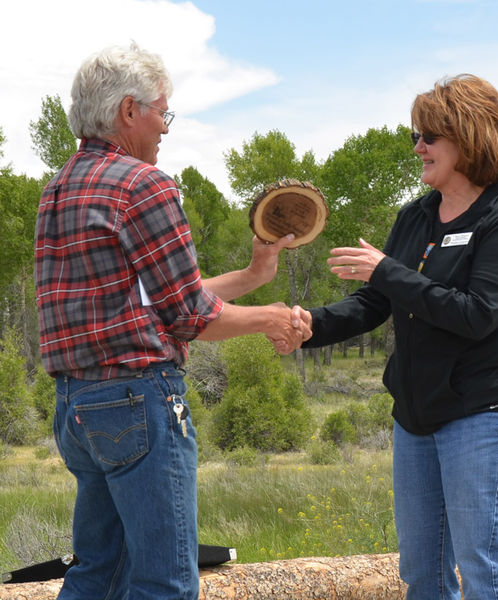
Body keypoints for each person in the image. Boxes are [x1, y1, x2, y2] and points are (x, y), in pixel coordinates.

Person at [34, 43, 310, 600]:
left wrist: (254, 277)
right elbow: (188, 316)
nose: (165, 127)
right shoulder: (143, 185)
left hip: (77, 409)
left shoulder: (57, 190)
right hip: (140, 403)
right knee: (165, 582)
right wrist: (273, 318)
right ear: (129, 111)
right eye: (163, 111)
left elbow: (151, 300)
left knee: (98, 571)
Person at [290, 74, 498, 599]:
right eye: (416, 136)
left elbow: (476, 314)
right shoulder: (415, 217)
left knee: (486, 575)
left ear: (470, 138)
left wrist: (386, 271)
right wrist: (312, 325)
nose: (419, 147)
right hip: (416, 415)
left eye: (429, 136)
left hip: (486, 413)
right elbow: (377, 302)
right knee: (422, 575)